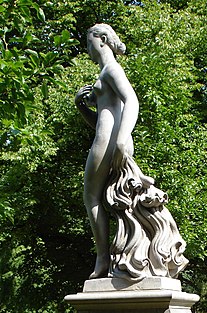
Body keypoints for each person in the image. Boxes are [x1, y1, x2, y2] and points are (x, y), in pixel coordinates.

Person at [75, 24, 139, 279]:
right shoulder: (104, 74)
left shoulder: (111, 69)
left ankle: (103, 258)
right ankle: (125, 251)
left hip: (110, 142)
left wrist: (122, 139)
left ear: (101, 40)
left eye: (89, 42)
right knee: (120, 201)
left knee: (91, 198)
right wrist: (83, 108)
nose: (87, 48)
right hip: (111, 139)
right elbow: (103, 119)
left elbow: (132, 100)